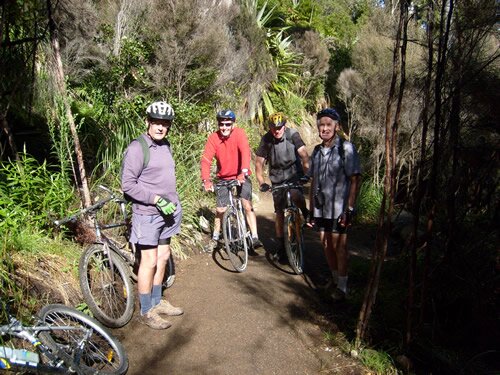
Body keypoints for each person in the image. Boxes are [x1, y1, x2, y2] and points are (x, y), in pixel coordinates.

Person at [121, 100, 184, 329]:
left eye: (165, 123)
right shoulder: (138, 148)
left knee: (163, 256)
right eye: (156, 122)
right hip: (148, 214)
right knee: (148, 261)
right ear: (147, 122)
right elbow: (127, 185)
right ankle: (146, 310)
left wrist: (172, 203)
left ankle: (157, 301)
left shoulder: (165, 145)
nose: (160, 127)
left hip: (169, 213)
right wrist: (156, 199)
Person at [307, 108, 361, 301]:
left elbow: (355, 179)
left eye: (329, 124)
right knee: (325, 243)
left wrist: (350, 209)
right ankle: (335, 279)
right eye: (321, 125)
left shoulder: (346, 148)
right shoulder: (317, 151)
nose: (325, 128)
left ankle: (343, 288)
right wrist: (312, 209)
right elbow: (313, 181)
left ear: (336, 126)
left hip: (339, 209)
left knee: (340, 246)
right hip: (322, 208)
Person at [200, 109, 262, 253]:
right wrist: (206, 180)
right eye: (221, 124)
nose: (224, 127)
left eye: (228, 124)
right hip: (223, 177)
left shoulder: (239, 133)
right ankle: (215, 238)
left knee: (247, 205)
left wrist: (243, 172)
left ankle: (254, 237)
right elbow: (206, 160)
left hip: (241, 175)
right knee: (220, 209)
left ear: (233, 124)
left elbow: (245, 151)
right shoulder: (213, 138)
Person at [255, 112, 310, 263]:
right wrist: (261, 182)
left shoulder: (293, 135)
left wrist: (307, 173)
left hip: (294, 172)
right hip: (277, 177)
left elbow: (304, 155)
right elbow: (259, 162)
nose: (276, 130)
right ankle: (282, 246)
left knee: (295, 195)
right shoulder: (267, 139)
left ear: (284, 126)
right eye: (273, 128)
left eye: (279, 127)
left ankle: (305, 212)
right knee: (279, 212)